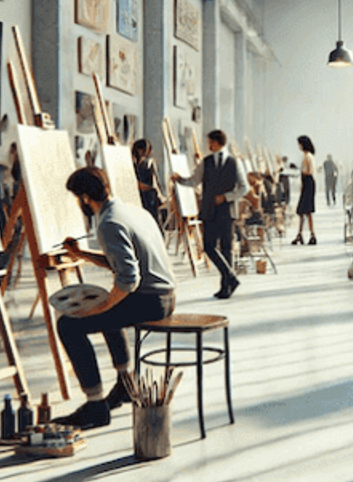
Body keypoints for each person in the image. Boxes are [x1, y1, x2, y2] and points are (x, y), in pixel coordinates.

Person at [54, 166, 176, 429]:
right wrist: (83, 254)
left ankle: (95, 405)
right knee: (109, 307)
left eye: (78, 198)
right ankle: (124, 383)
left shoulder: (109, 223)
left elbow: (129, 279)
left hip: (149, 300)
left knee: (68, 324)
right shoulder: (132, 211)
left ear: (86, 197)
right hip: (165, 296)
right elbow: (123, 263)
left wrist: (103, 307)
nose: (79, 204)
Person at [173, 130, 247, 298]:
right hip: (209, 210)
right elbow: (194, 181)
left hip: (227, 211)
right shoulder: (206, 162)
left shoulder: (234, 162)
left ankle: (226, 287)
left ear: (217, 142)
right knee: (208, 246)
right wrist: (179, 179)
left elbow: (244, 188)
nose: (208, 145)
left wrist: (227, 197)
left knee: (227, 249)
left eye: (210, 142)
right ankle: (231, 277)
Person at [291, 135, 317, 245]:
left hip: (308, 183)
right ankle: (300, 234)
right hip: (307, 183)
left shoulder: (308, 156)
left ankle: (312, 235)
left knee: (307, 211)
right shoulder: (307, 156)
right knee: (302, 211)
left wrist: (297, 169)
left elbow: (308, 171)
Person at [131, 138, 163, 223]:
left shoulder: (148, 164)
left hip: (149, 200)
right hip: (140, 200)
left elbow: (154, 184)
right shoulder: (134, 166)